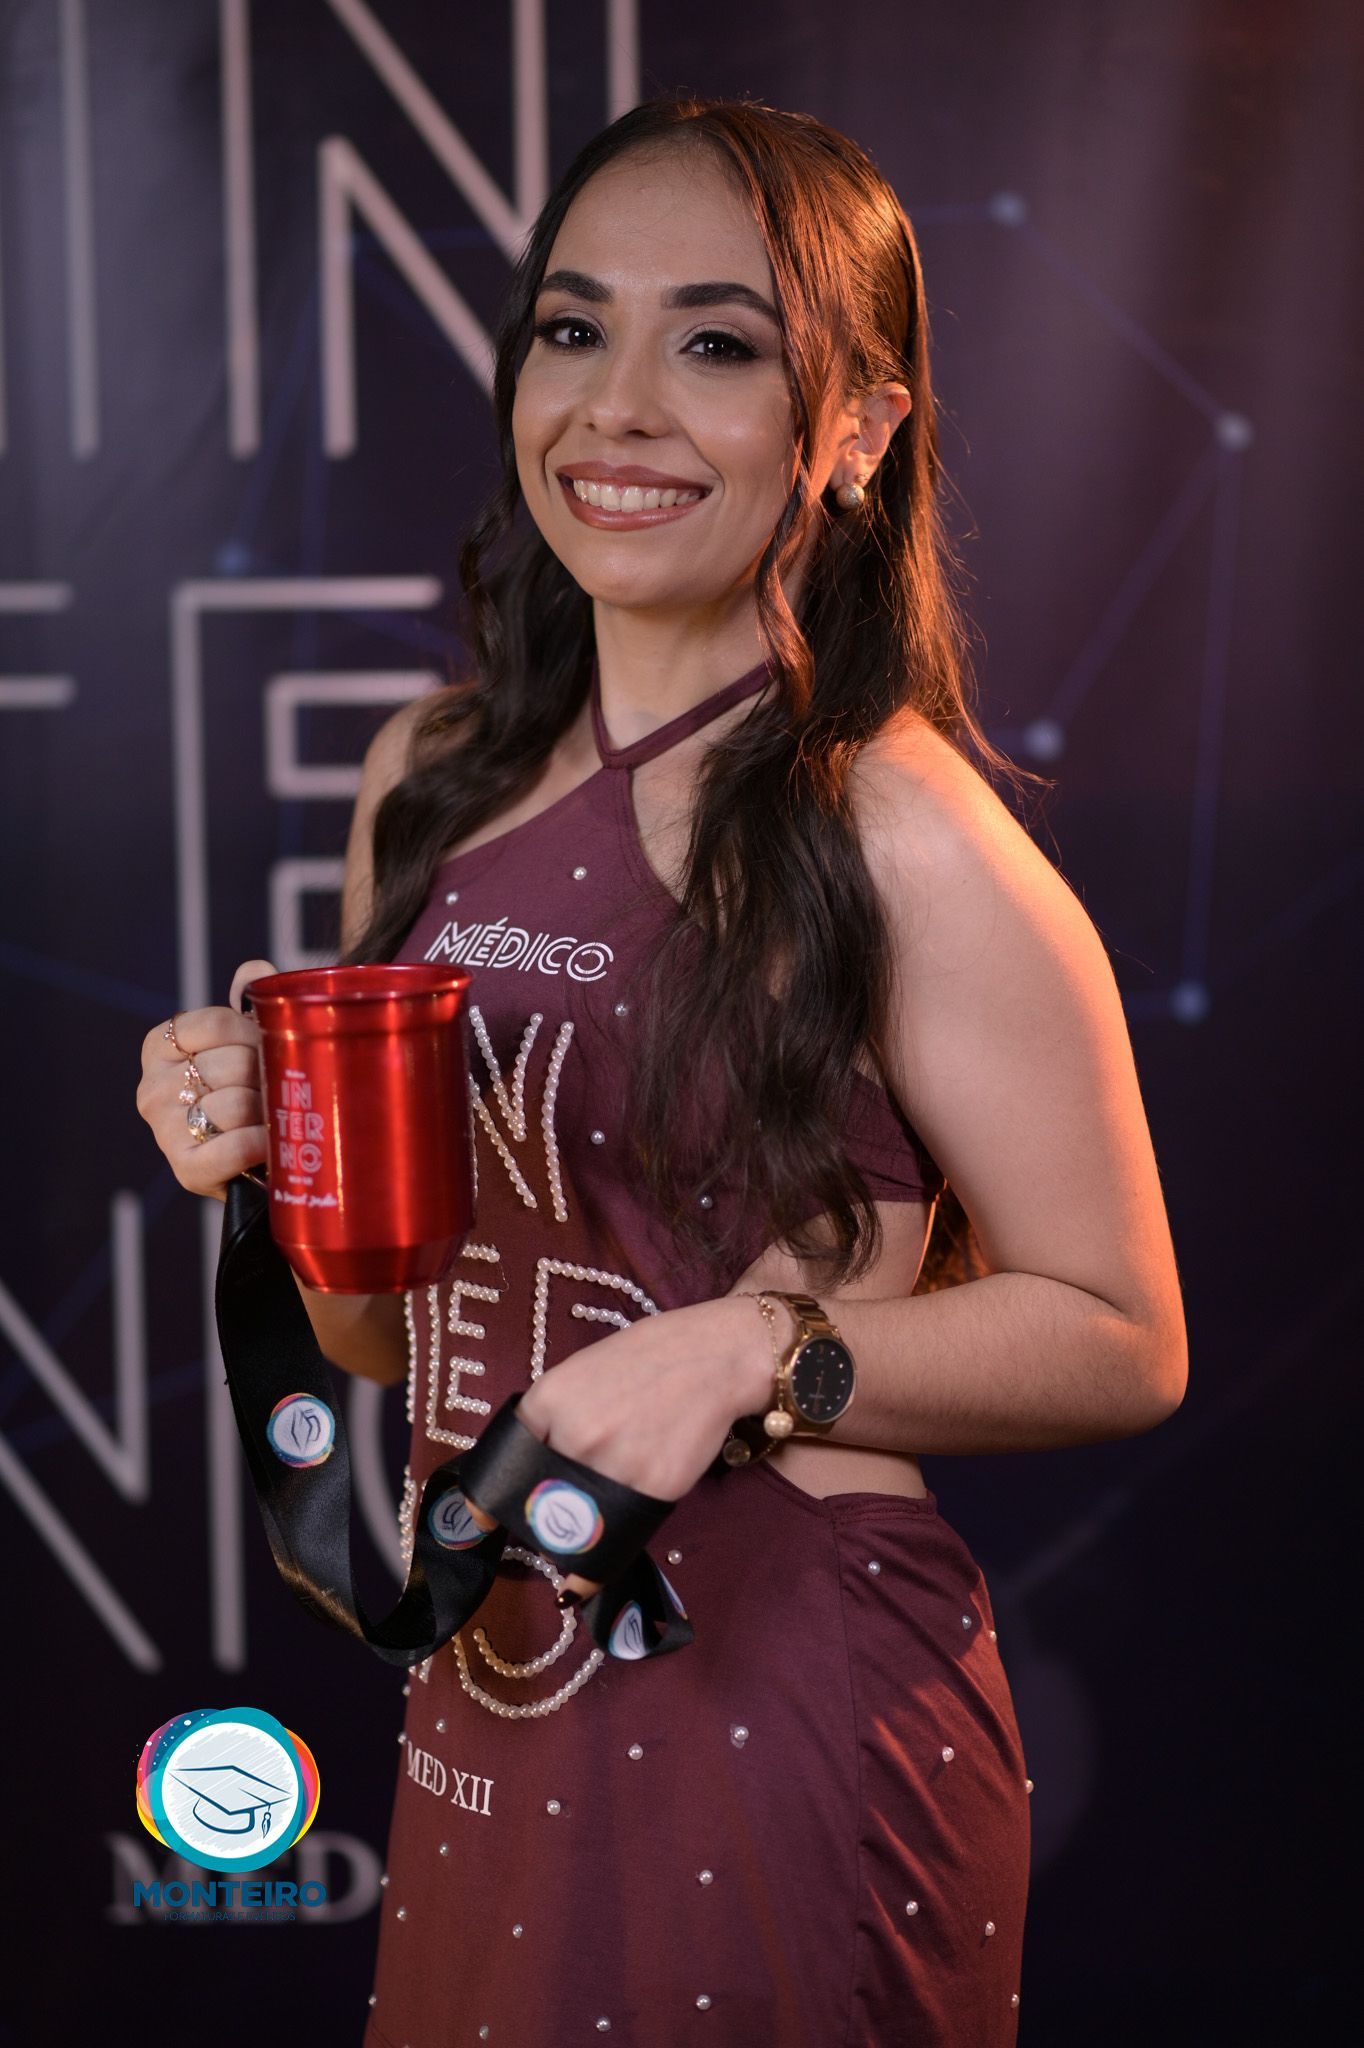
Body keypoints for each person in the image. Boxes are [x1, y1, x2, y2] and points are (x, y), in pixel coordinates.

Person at [138, 94, 1187, 2048]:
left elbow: (1126, 1336)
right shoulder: (425, 782)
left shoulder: (899, 830)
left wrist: (756, 1348)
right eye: (572, 326)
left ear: (856, 431)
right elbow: (376, 1340)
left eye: (716, 343)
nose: (615, 407)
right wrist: (276, 1166)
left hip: (792, 1708)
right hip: (491, 1692)